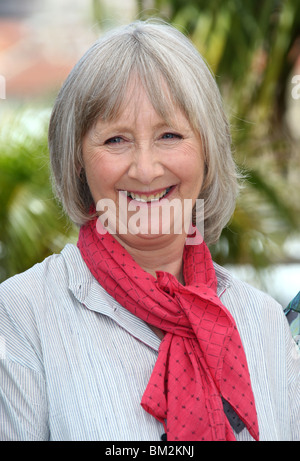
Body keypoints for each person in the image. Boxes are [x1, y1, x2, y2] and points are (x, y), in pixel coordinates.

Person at [0, 20, 299, 442]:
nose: (145, 169)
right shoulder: (20, 316)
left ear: (209, 150)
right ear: (77, 160)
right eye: (116, 140)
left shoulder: (262, 322)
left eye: (170, 135)